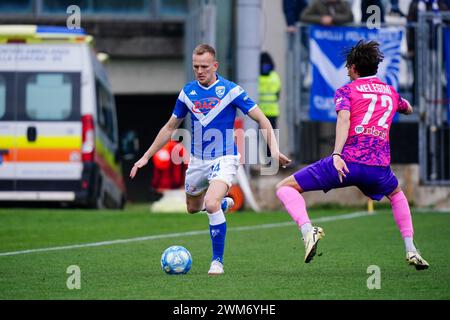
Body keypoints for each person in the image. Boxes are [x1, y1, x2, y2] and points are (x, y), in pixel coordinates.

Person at [130, 44, 291, 275]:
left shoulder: (231, 91)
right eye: (195, 66)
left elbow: (262, 119)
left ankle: (217, 262)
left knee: (211, 204)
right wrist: (145, 157)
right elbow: (169, 128)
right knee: (193, 208)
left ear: (215, 66)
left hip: (225, 158)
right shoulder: (187, 93)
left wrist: (274, 151)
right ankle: (222, 204)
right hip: (197, 161)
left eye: (204, 66)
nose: (200, 70)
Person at [275, 40, 429, 270]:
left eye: (348, 66)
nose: (346, 70)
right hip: (379, 169)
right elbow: (408, 108)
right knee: (397, 195)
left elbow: (344, 119)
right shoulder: (390, 92)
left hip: (347, 164)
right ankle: (411, 249)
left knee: (285, 187)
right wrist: (401, 107)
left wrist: (337, 153)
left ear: (355, 67)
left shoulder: (347, 91)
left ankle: (308, 231)